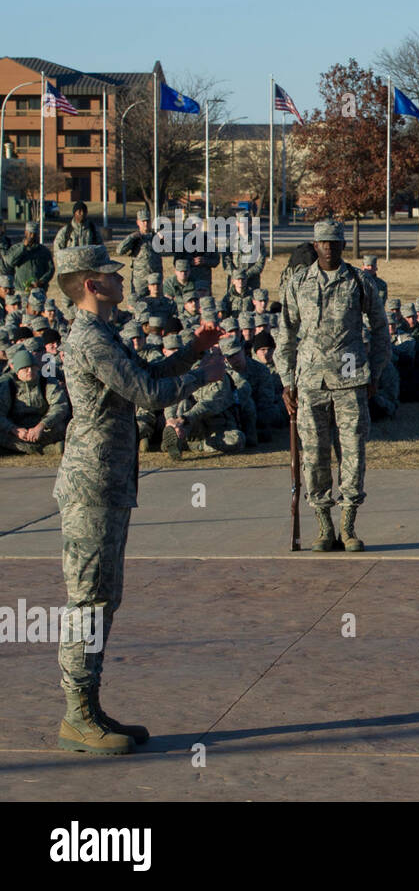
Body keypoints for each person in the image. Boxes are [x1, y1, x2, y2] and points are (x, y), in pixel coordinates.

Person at [52, 243, 224, 755]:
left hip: (110, 481)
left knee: (104, 597)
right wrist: (201, 376)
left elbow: (148, 377)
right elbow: (147, 394)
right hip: (91, 484)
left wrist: (193, 350)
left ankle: (91, 705)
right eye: (110, 273)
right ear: (90, 284)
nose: (120, 277)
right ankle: (77, 714)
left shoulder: (103, 333)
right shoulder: (90, 339)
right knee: (87, 599)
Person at [278, 220, 390, 552]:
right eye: (323, 242)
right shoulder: (298, 283)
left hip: (351, 379)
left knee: (352, 453)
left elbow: (381, 330)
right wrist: (286, 382)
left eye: (335, 243)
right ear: (314, 245)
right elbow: (285, 336)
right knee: (314, 455)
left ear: (343, 246)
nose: (329, 247)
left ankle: (349, 525)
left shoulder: (360, 281)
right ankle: (324, 526)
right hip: (310, 382)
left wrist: (376, 372)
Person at [0, 347, 69, 454]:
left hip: (43, 427)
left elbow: (60, 406)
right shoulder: (7, 385)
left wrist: (42, 426)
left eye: (32, 367)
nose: (30, 371)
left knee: (60, 426)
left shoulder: (47, 381)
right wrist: (14, 429)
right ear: (16, 370)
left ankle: (23, 449)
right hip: (17, 428)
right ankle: (47, 449)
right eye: (25, 369)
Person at [4, 222, 54, 292]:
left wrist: (41, 281)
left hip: (39, 291)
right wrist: (23, 247)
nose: (32, 236)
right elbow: (10, 262)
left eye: (35, 234)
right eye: (30, 233)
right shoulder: (16, 248)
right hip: (22, 291)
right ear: (25, 233)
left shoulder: (44, 251)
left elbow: (50, 269)